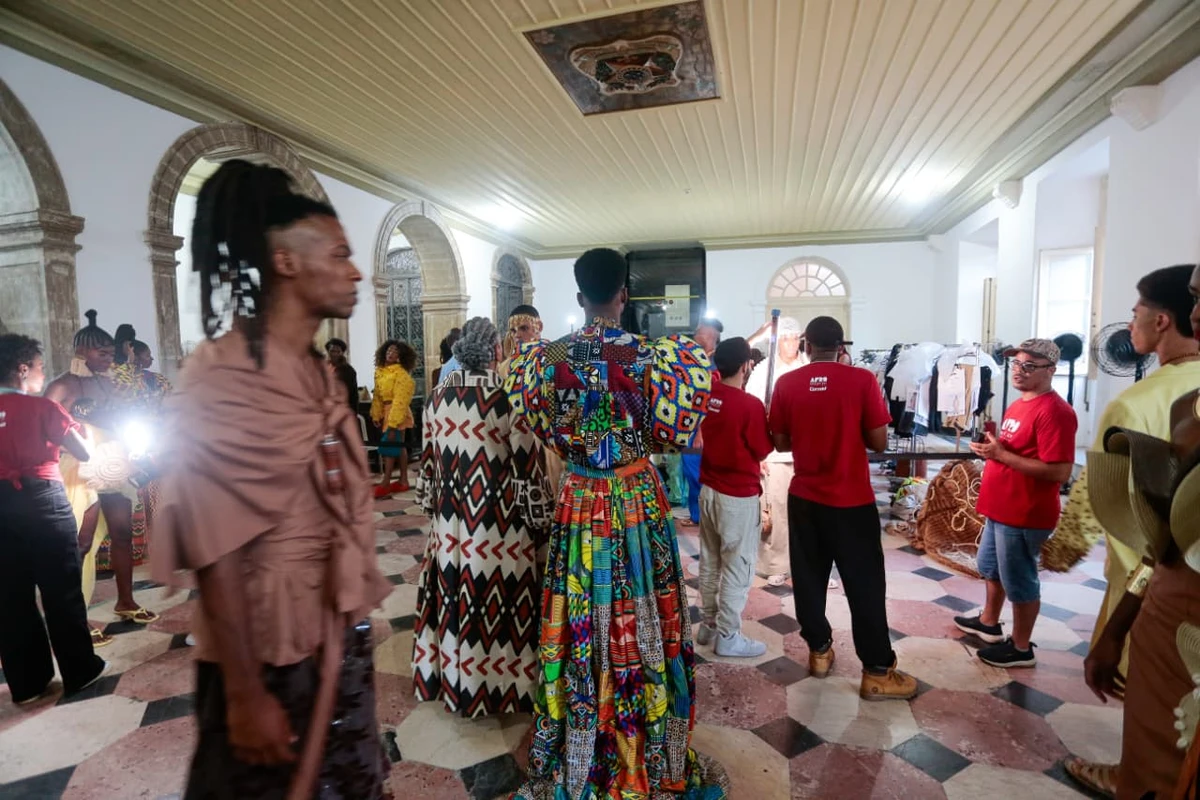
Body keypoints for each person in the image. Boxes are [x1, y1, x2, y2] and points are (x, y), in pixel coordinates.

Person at [151, 160, 390, 797]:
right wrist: (244, 695)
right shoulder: (223, 374)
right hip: (266, 654)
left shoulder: (316, 371)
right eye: (339, 254)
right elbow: (216, 549)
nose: (355, 270)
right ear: (285, 262)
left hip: (334, 634)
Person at [506, 247, 728, 798]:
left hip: (579, 496)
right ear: (623, 296)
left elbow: (540, 428)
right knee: (644, 603)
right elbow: (676, 436)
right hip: (634, 494)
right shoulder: (660, 357)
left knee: (579, 606)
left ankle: (580, 732)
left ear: (580, 297)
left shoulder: (541, 360)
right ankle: (647, 740)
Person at [1063, 264, 1200, 795]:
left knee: (1151, 694)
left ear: (1162, 320)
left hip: (1151, 570)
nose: (1129, 321)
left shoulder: (1134, 403)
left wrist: (1059, 550)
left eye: (1136, 312)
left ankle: (1136, 774)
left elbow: (1093, 498)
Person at [770, 316, 917, 700]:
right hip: (851, 500)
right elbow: (880, 442)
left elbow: (782, 442)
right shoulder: (861, 380)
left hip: (804, 498)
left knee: (808, 578)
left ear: (806, 346)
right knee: (864, 584)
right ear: (841, 347)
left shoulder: (787, 384)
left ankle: (819, 651)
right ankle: (877, 671)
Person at [413, 317, 551, 717]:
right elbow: (527, 469)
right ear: (495, 351)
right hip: (497, 525)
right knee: (498, 602)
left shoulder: (436, 398)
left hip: (448, 523)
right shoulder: (507, 398)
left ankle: (454, 682)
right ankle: (501, 688)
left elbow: (426, 468)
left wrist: (437, 513)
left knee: (455, 596)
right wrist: (541, 520)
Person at [1085, 385, 1200, 799]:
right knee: (1150, 751)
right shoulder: (1187, 406)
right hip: (1166, 609)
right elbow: (1161, 543)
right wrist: (1116, 629)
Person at [955, 338, 1077, 668]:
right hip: (1001, 507)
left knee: (1019, 580)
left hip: (1024, 513)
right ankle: (989, 622)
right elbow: (1012, 451)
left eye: (1029, 366)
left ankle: (1021, 647)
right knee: (991, 568)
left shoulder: (1056, 412)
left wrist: (1001, 455)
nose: (1019, 371)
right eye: (1016, 364)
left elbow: (1060, 471)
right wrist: (991, 449)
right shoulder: (1021, 403)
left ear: (1050, 371)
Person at [0, 334, 108, 704]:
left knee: (10, 598)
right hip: (42, 503)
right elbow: (84, 453)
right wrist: (77, 436)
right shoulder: (43, 409)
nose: (43, 377)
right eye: (40, 368)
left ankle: (28, 684)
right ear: (22, 369)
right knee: (61, 590)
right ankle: (80, 671)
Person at [45, 311, 157, 645]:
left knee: (122, 533)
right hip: (79, 469)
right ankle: (76, 619)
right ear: (81, 351)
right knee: (81, 543)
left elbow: (121, 420)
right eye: (103, 353)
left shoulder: (109, 382)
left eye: (111, 353)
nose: (110, 359)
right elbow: (46, 428)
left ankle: (125, 601)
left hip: (114, 465)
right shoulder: (63, 385)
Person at [696, 337, 774, 658]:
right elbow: (762, 448)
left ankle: (709, 625)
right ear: (746, 365)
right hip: (736, 497)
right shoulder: (748, 405)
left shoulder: (708, 396)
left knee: (711, 561)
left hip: (709, 491)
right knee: (738, 567)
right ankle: (728, 635)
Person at [746, 316, 807, 586]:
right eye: (785, 338)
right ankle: (776, 564)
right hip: (775, 453)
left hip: (806, 452)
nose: (791, 343)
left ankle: (810, 565)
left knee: (807, 511)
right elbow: (755, 413)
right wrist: (758, 454)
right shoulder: (763, 370)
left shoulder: (808, 367)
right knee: (777, 509)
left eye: (795, 338)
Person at [680, 318, 722, 525]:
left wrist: (699, 432)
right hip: (688, 428)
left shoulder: (714, 366)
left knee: (697, 473)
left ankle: (704, 517)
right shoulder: (694, 360)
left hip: (700, 431)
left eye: (701, 332)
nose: (696, 336)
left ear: (712, 336)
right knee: (689, 472)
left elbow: (707, 402)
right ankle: (697, 515)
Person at [371, 339, 417, 496]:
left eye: (395, 351)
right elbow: (377, 395)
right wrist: (376, 413)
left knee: (391, 446)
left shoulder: (401, 374)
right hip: (386, 410)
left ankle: (386, 482)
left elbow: (400, 400)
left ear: (400, 357)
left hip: (397, 412)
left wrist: (392, 424)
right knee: (399, 445)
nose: (390, 353)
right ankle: (403, 480)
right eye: (389, 350)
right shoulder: (380, 371)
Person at [324, 337, 358, 411]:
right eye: (332, 351)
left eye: (338, 351)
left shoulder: (349, 371)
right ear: (328, 352)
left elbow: (353, 396)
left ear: (342, 353)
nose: (334, 354)